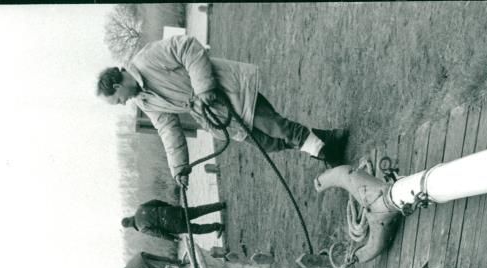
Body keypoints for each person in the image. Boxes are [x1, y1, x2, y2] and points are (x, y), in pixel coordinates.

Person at [96, 34, 347, 187]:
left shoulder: (148, 58)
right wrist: (179, 168)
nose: (123, 103)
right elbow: (167, 129)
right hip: (219, 119)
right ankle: (329, 138)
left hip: (231, 92)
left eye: (118, 100)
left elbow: (188, 47)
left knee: (278, 127)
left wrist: (203, 88)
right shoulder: (144, 101)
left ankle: (329, 155)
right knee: (270, 143)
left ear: (118, 85)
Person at [122, 198, 226, 239]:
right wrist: (169, 206)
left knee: (196, 229)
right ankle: (220, 205)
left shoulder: (141, 228)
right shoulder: (140, 208)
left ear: (131, 226)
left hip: (173, 225)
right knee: (198, 210)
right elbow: (156, 201)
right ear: (129, 217)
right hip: (173, 211)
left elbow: (159, 233)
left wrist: (173, 238)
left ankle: (218, 226)